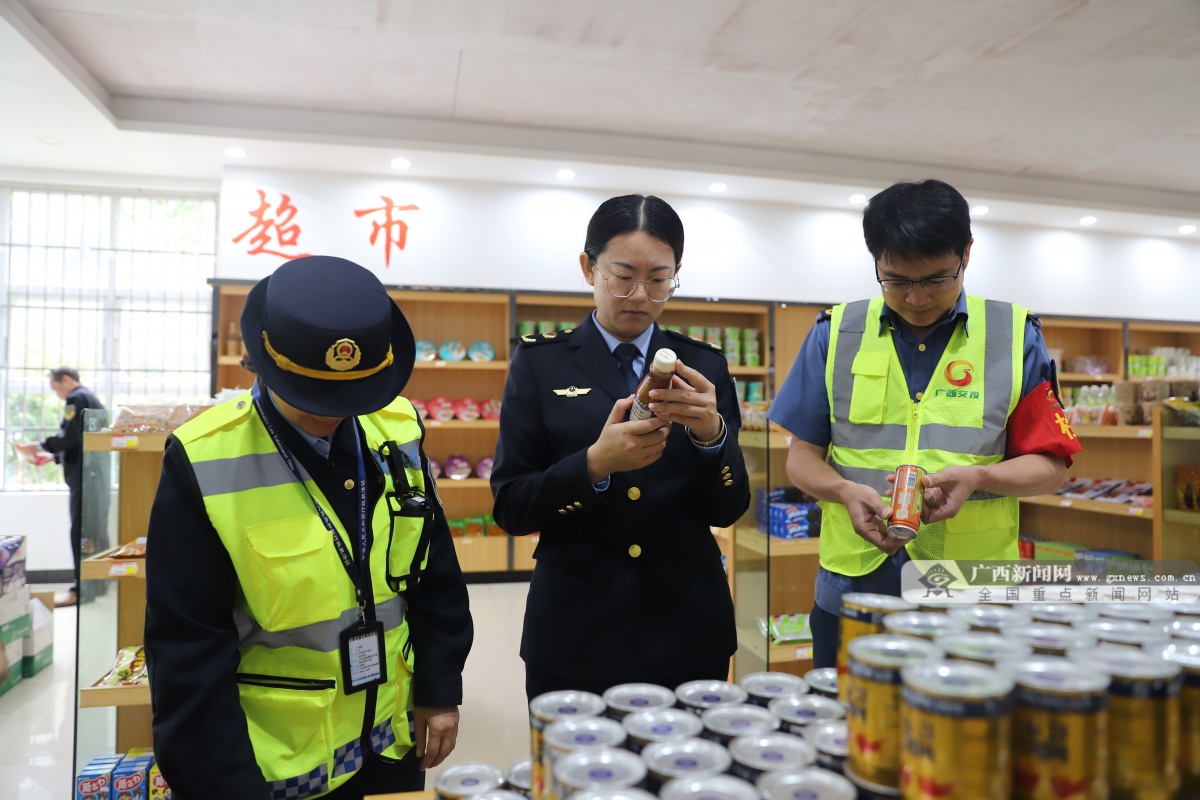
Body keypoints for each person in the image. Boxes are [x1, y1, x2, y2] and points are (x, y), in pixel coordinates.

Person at [143, 256, 473, 800]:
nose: (334, 412)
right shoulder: (204, 458)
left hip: (390, 741)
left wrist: (439, 688)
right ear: (260, 360)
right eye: (314, 394)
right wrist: (224, 785)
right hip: (272, 765)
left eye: (354, 395)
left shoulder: (396, 427)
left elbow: (435, 573)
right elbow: (187, 648)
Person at [767, 179, 1083, 667]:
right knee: (851, 731)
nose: (915, 298)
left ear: (966, 256)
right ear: (875, 262)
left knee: (966, 732)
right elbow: (802, 459)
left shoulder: (1013, 336)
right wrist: (843, 491)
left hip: (971, 588)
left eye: (936, 279)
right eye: (896, 280)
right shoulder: (836, 333)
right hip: (857, 578)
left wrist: (982, 476)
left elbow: (1052, 466)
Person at [491, 194, 750, 700]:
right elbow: (512, 507)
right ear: (589, 268)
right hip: (576, 626)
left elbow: (728, 507)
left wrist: (710, 438)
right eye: (623, 274)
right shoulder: (540, 363)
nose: (640, 295)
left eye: (659, 278)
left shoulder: (704, 367)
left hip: (687, 625)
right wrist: (592, 466)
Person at [16, 367, 109, 607]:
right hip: (94, 475)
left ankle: (81, 588)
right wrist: (54, 457)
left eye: (57, 388)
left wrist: (40, 445)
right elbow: (81, 440)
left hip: (85, 476)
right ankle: (95, 586)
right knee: (94, 530)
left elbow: (70, 436)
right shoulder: (90, 398)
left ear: (66, 380)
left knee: (81, 531)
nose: (58, 394)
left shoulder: (77, 398)